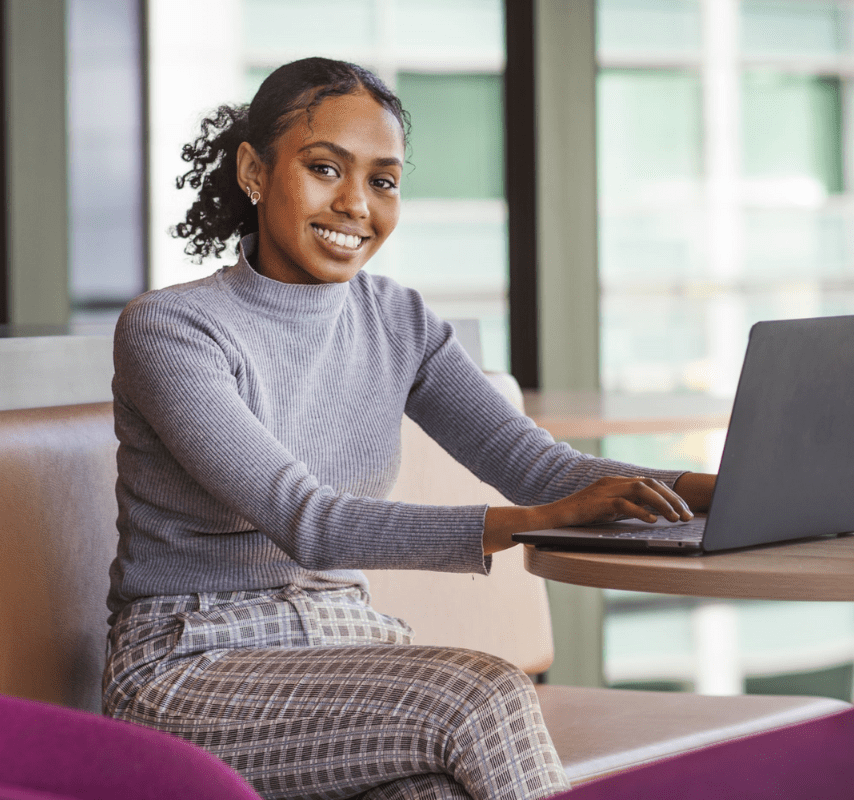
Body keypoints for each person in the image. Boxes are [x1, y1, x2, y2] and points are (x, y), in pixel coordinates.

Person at [102, 57, 716, 800]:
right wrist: (530, 525)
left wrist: (722, 489)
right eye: (325, 169)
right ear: (255, 173)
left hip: (343, 645)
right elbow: (311, 522)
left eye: (383, 181)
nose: (356, 204)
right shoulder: (171, 330)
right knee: (480, 692)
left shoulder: (399, 321)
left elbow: (540, 468)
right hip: (187, 671)